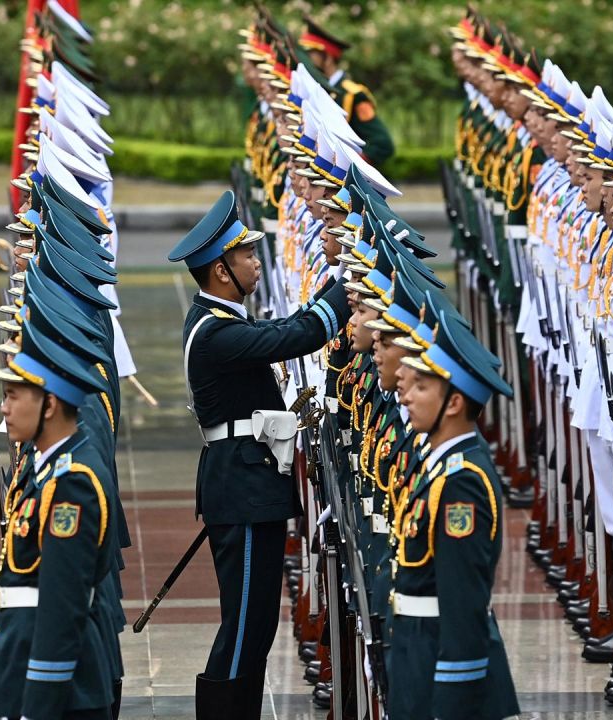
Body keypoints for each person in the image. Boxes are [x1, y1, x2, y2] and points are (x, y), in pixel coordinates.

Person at [167, 190, 353, 717]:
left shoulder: (223, 322)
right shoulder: (213, 334)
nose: (255, 261)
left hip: (249, 486)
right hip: (243, 490)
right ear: (221, 271)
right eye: (246, 254)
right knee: (246, 625)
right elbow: (299, 333)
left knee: (254, 627)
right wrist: (349, 280)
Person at [0, 312, 118, 720]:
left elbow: (63, 603)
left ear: (50, 403)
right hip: (18, 658)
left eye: (13, 396)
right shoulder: (49, 467)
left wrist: (37, 703)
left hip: (54, 688)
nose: (3, 409)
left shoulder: (72, 483)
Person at [391, 309, 521, 720]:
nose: (406, 397)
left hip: (440, 669)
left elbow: (463, 602)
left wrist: (453, 697)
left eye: (422, 387)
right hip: (416, 655)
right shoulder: (440, 465)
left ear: (455, 403)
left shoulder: (461, 482)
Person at [299, 16, 395, 164]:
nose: (306, 61)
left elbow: (382, 144)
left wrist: (346, 164)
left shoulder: (352, 95)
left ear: (328, 58)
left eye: (311, 55)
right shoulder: (317, 90)